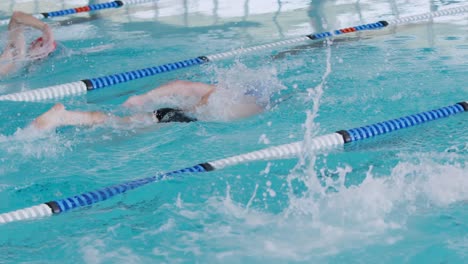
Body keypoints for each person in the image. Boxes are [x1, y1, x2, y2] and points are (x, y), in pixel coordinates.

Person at [31, 80, 269, 131]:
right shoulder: (254, 109)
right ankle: (63, 116)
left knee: (117, 122)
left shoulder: (218, 92)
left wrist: (145, 97)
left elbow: (183, 85)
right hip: (176, 118)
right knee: (118, 125)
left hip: (174, 115)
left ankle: (65, 116)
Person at [0, 11, 56, 76]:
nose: (42, 51)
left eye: (46, 50)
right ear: (34, 43)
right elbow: (16, 17)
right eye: (41, 45)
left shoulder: (22, 64)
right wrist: (45, 28)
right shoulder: (18, 52)